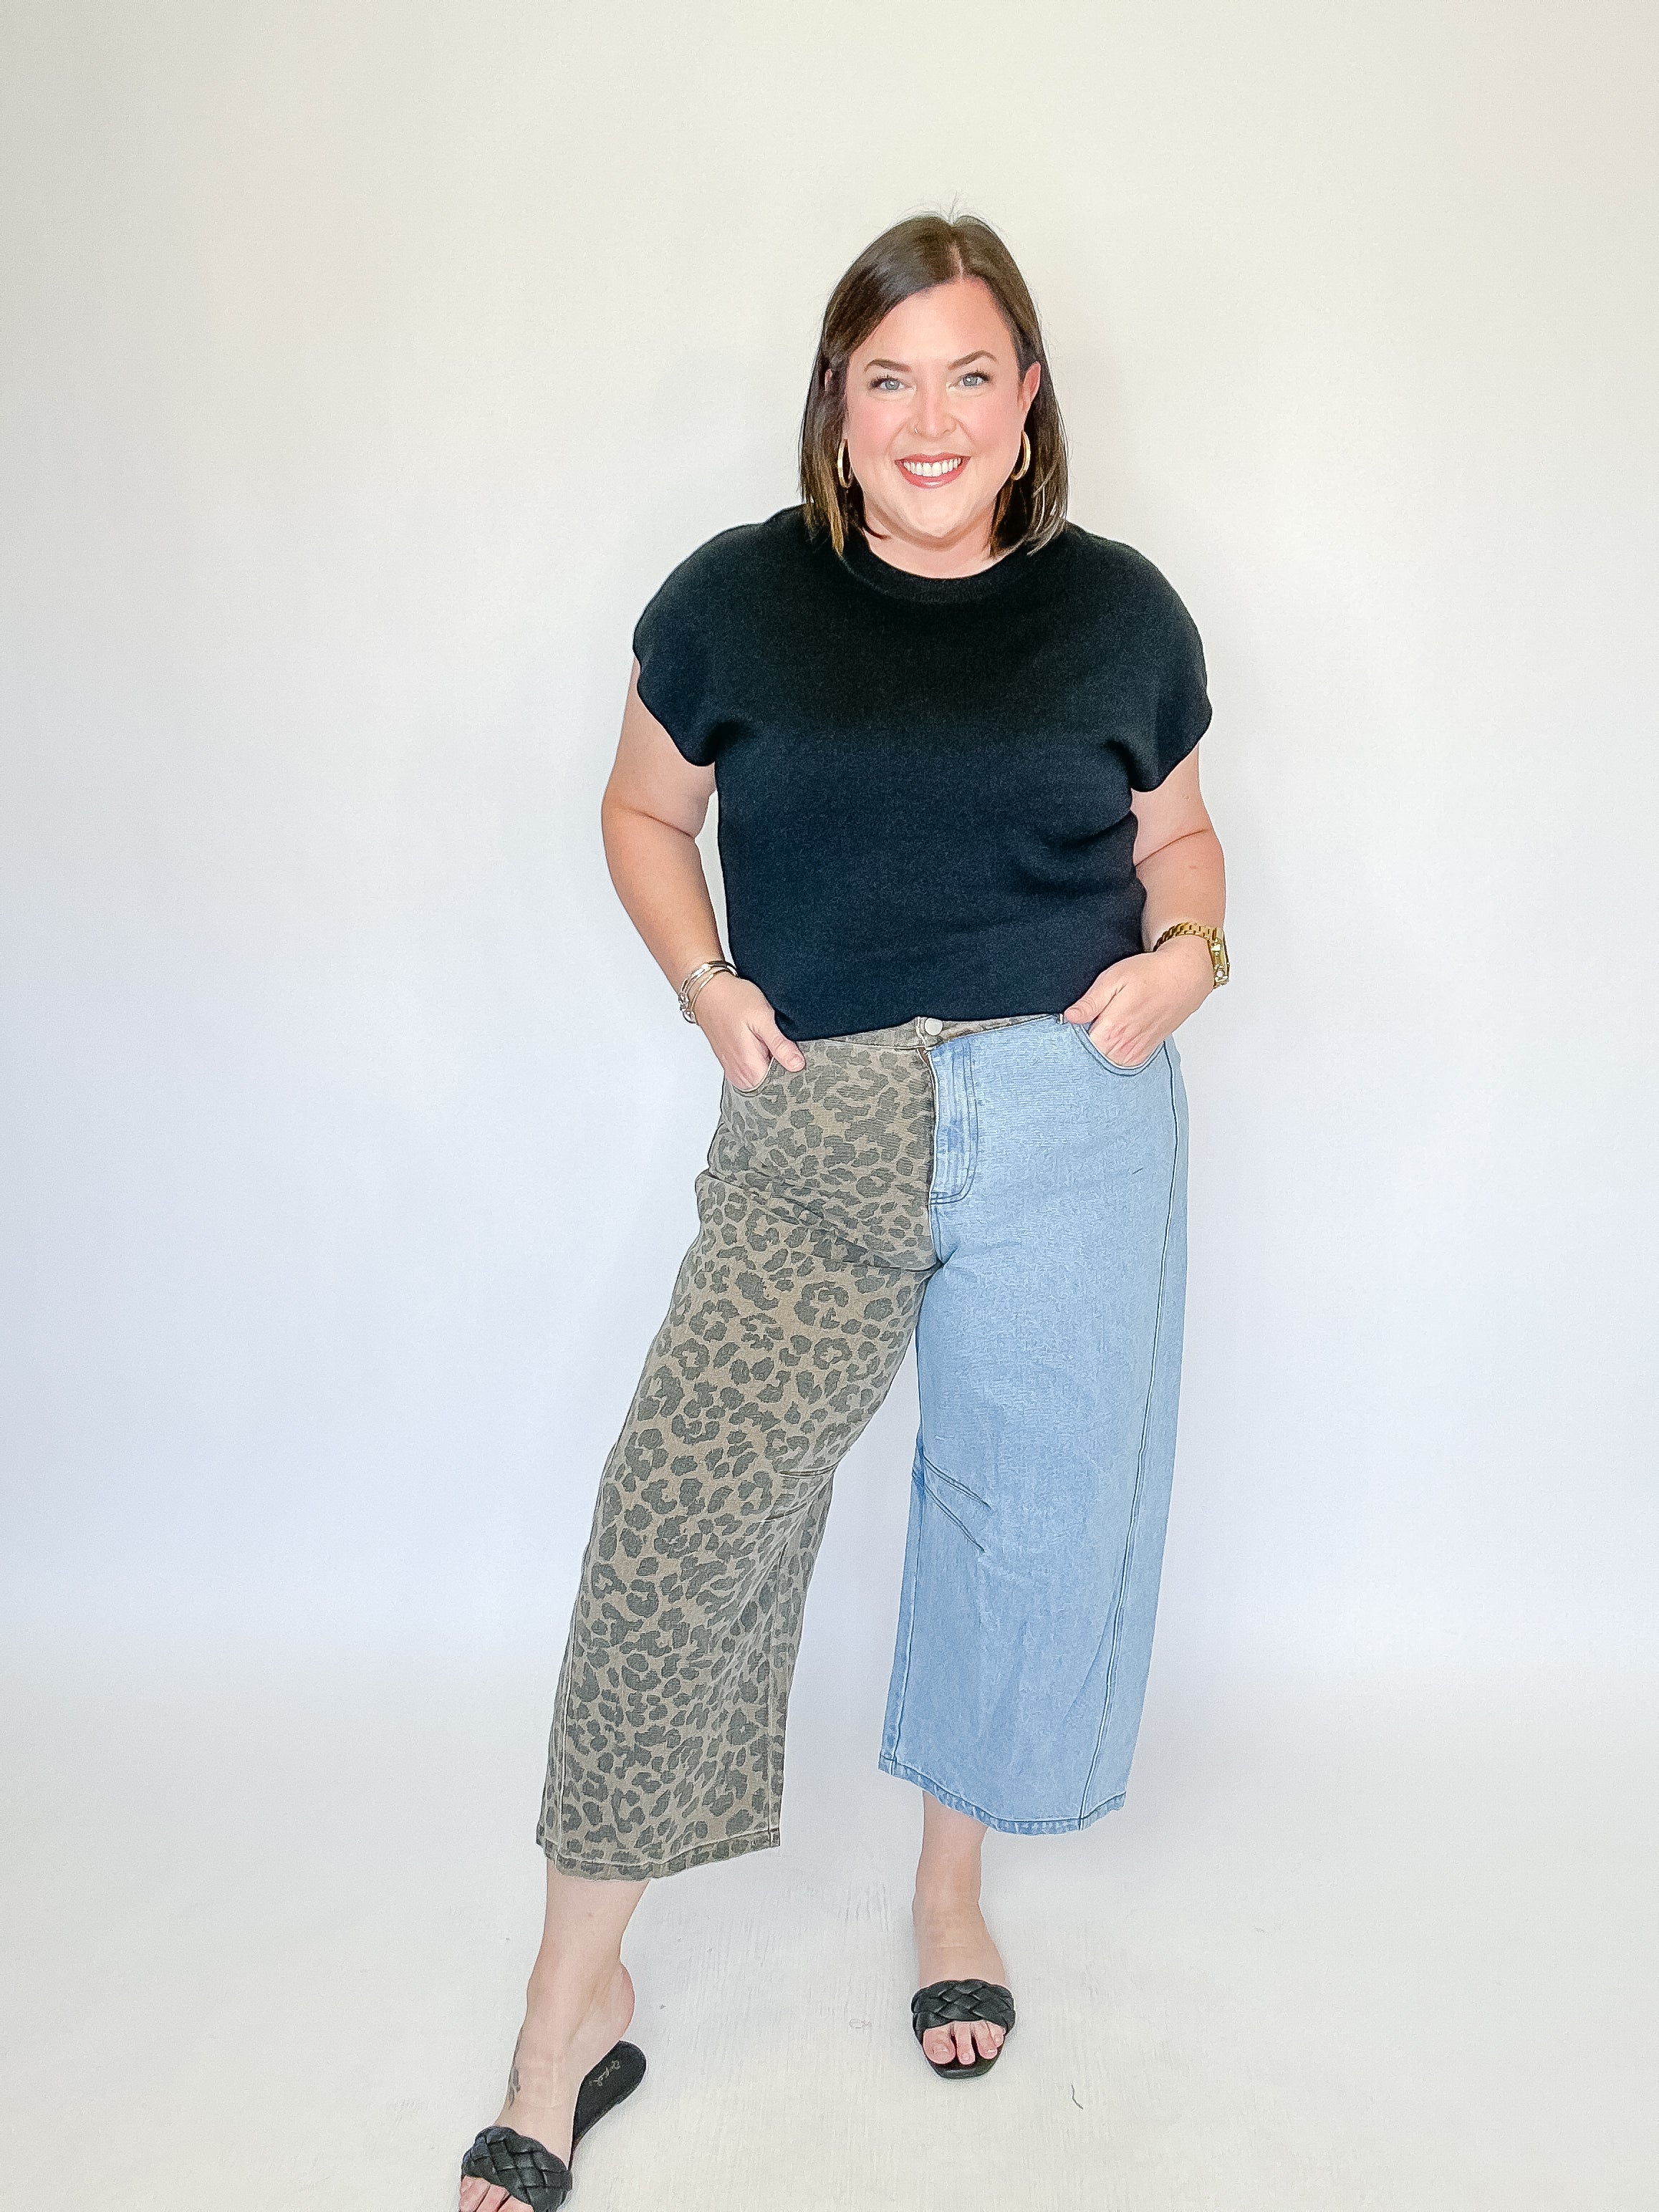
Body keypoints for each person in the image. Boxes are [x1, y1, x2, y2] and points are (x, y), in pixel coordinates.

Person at [459, 211, 1228, 2211]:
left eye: (970, 373)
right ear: (836, 400)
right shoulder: (738, 599)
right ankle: (569, 2011)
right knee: (675, 1528)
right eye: (888, 377)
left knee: (1013, 1518)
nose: (929, 417)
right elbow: (644, 809)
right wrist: (704, 982)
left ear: (1028, 396)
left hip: (1070, 1108)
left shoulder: (1121, 611)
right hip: (820, 1122)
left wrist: (1192, 953)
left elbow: (1179, 835)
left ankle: (948, 1898)